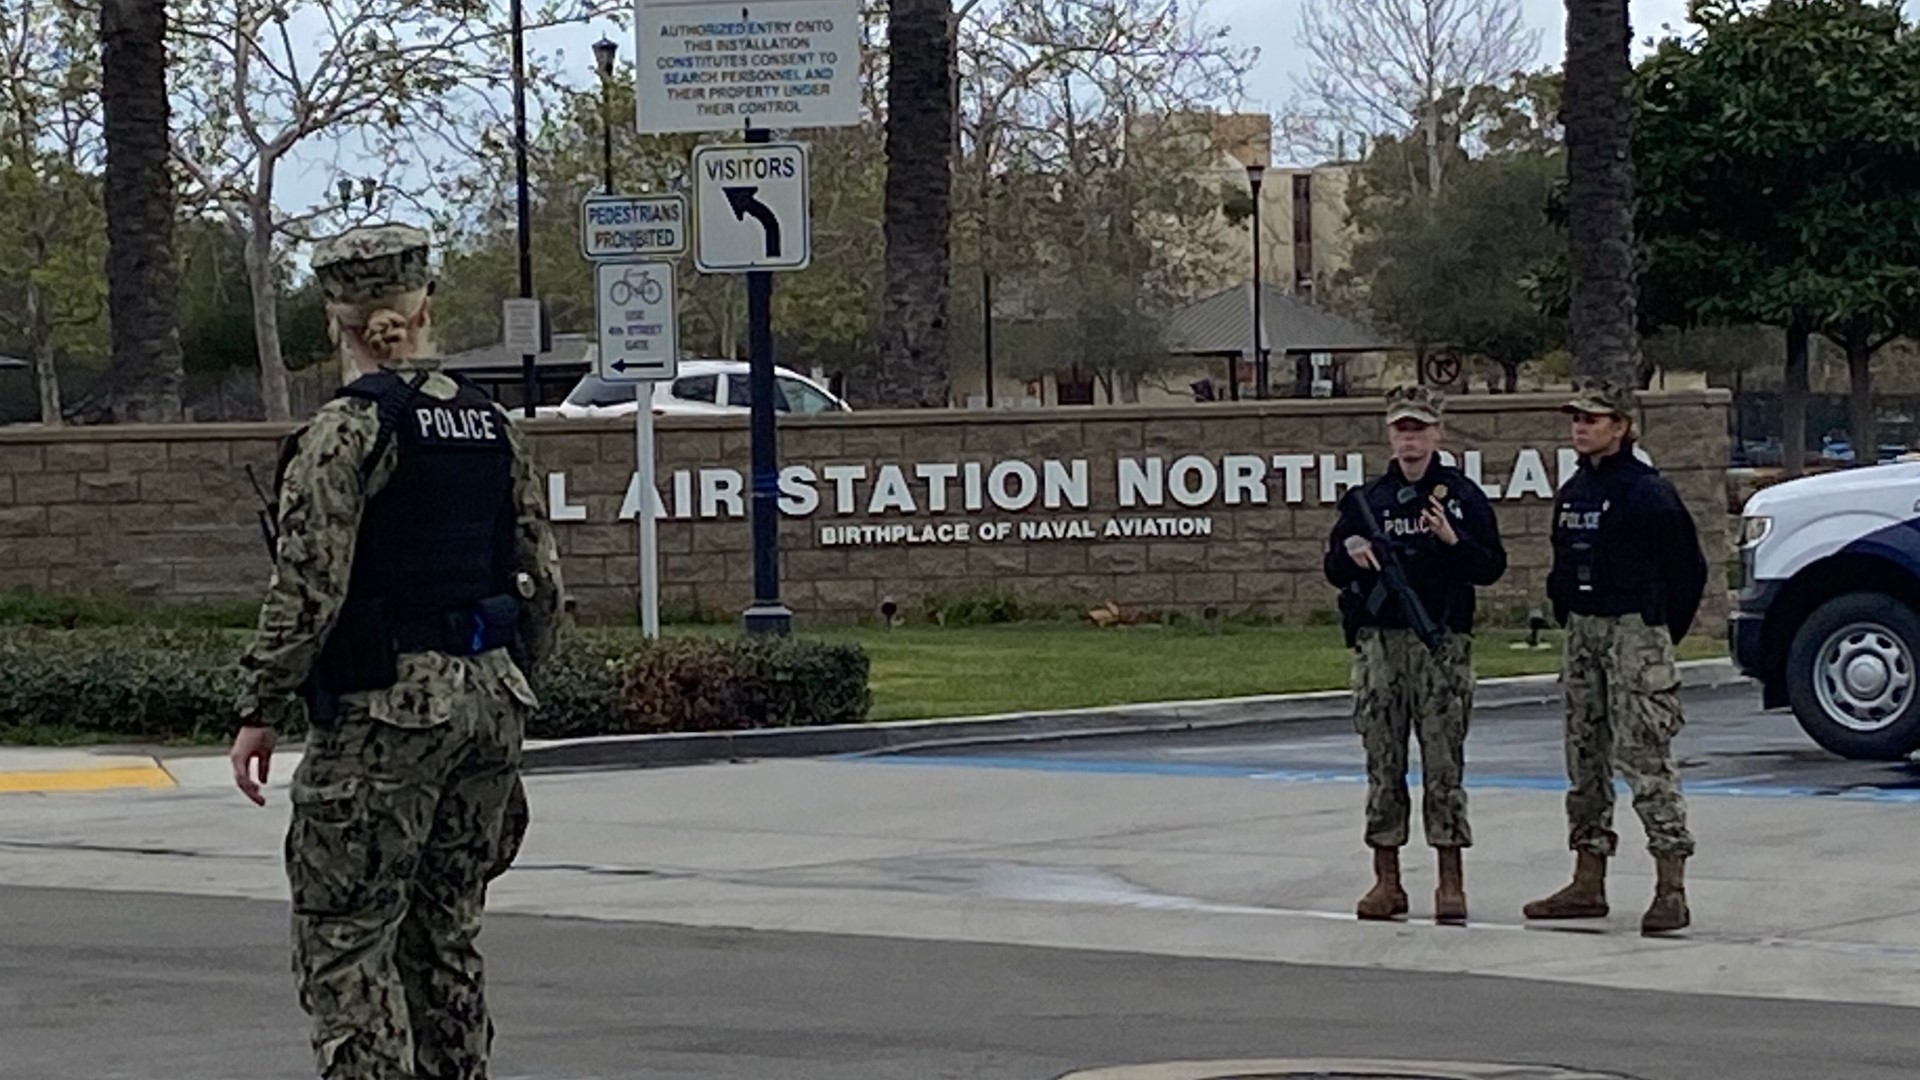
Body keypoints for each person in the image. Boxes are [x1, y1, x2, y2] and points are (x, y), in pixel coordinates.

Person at [226, 221, 565, 1079]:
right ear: (425, 305)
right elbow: (544, 583)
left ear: (336, 319)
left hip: (386, 711)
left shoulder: (343, 434)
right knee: (447, 936)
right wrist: (517, 685)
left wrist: (258, 706)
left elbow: (308, 592)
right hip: (490, 700)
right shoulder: (494, 426)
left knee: (348, 941)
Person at [1524, 377, 1707, 936]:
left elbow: (1688, 570)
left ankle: (1670, 885)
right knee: (1584, 757)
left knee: (1644, 756)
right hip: (1583, 630)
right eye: (1575, 419)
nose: (1581, 428)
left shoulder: (1647, 492)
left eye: (1593, 419)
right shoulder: (1575, 491)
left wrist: (1655, 636)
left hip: (1635, 629)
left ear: (1623, 427)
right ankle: (1587, 879)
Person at [1324, 385, 1507, 924]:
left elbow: (1490, 565)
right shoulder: (1369, 500)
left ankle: (1450, 880)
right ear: (1389, 435)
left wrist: (1453, 540)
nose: (1410, 439)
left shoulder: (1460, 496)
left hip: (1440, 644)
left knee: (1443, 764)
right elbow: (1333, 566)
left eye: (1419, 428)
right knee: (1383, 763)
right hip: (1381, 644)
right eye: (1401, 429)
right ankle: (1388, 879)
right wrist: (1352, 553)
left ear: (1438, 433)